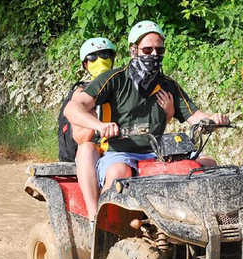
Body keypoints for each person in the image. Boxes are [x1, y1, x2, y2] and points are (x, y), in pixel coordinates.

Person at [64, 20, 229, 194]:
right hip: (119, 152)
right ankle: (105, 219)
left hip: (160, 151)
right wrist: (100, 125)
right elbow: (72, 109)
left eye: (159, 50)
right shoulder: (114, 79)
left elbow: (195, 116)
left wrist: (214, 119)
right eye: (148, 50)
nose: (154, 54)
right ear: (133, 50)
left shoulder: (168, 85)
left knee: (208, 164)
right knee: (118, 173)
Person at [70, 37, 174, 228]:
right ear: (85, 63)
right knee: (86, 149)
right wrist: (99, 125)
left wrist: (167, 113)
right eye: (93, 57)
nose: (100, 60)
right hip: (102, 147)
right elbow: (79, 136)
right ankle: (95, 217)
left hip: (129, 145)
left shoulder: (118, 84)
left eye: (105, 55)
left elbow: (151, 125)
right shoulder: (83, 94)